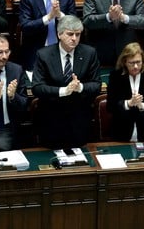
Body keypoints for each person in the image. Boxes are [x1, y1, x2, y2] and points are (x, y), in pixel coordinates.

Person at [32, 16, 101, 149]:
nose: (74, 38)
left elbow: (96, 85)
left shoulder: (89, 53)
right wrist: (64, 91)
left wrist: (79, 87)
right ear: (59, 34)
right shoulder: (44, 55)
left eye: (77, 34)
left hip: (79, 120)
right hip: (52, 120)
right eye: (70, 34)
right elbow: (37, 87)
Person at [19, 0, 76, 71]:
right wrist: (49, 17)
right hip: (37, 52)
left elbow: (74, 23)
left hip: (63, 49)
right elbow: (25, 27)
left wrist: (59, 15)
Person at [106, 42, 144, 142]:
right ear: (124, 62)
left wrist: (142, 106)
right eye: (131, 63)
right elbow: (110, 106)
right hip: (121, 134)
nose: (136, 66)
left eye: (138, 62)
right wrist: (128, 103)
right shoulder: (115, 77)